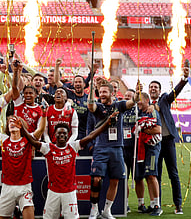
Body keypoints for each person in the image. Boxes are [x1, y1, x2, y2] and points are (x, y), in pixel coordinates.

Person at [21, 115, 117, 219]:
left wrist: (106, 124)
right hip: (53, 192)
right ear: (55, 135)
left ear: (68, 136)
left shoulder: (73, 146)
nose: (62, 135)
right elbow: (32, 141)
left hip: (69, 193)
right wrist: (22, 128)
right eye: (59, 133)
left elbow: (91, 136)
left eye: (64, 133)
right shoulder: (48, 148)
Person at [87, 83, 139, 219]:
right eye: (100, 92)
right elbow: (90, 106)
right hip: (101, 147)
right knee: (96, 179)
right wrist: (92, 90)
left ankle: (106, 210)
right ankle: (94, 209)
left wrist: (137, 94)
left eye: (104, 92)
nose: (102, 94)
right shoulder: (98, 106)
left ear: (112, 93)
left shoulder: (119, 105)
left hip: (117, 148)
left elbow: (132, 102)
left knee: (115, 180)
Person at [0, 104, 35, 219]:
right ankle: (15, 210)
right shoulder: (3, 139)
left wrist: (44, 115)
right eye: (10, 122)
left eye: (15, 122)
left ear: (21, 126)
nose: (12, 124)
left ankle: (18, 210)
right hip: (7, 187)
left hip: (24, 186)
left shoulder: (28, 140)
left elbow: (39, 131)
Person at [149, 66, 189, 214]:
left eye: (156, 87)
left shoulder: (165, 99)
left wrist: (184, 79)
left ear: (159, 90)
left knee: (173, 174)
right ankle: (156, 205)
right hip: (154, 143)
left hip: (168, 141)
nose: (153, 89)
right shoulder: (146, 104)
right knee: (156, 174)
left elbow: (175, 91)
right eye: (151, 87)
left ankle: (178, 205)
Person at [135, 92, 163, 216]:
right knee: (147, 176)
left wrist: (142, 129)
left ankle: (157, 205)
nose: (138, 102)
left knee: (152, 175)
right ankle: (152, 204)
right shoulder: (138, 112)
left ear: (147, 101)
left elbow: (158, 129)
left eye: (140, 100)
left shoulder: (152, 111)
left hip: (152, 147)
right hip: (142, 149)